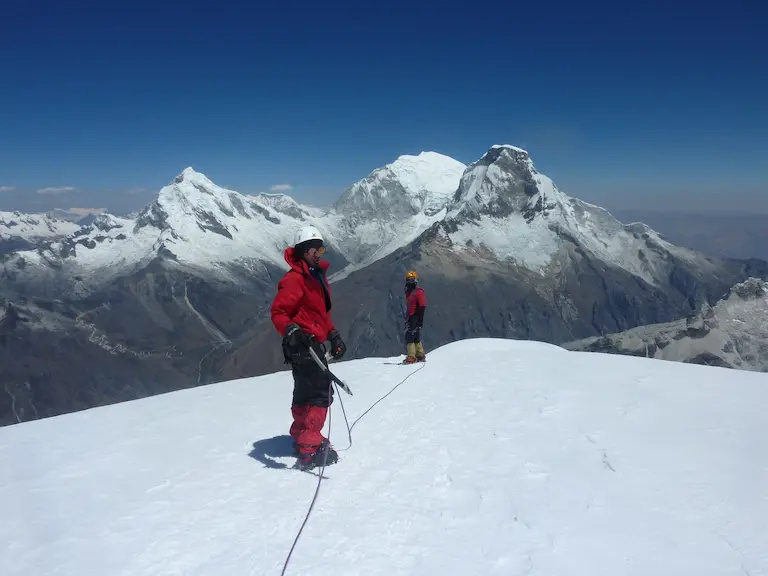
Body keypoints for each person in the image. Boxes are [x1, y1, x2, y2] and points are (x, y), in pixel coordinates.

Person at [270, 225, 347, 470]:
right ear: (302, 250)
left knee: (305, 392)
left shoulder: (315, 277)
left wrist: (333, 334)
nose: (319, 253)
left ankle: (302, 435)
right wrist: (292, 330)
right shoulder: (294, 279)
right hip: (303, 345)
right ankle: (310, 449)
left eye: (321, 248)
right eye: (314, 248)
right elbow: (279, 312)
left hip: (310, 343)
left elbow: (319, 314)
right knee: (319, 394)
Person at [403, 270, 427, 363]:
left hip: (415, 316)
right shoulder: (410, 292)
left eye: (411, 280)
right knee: (415, 335)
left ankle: (412, 356)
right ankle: (420, 355)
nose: (410, 282)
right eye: (409, 280)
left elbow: (422, 306)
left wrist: (420, 319)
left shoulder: (418, 292)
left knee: (410, 335)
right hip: (412, 316)